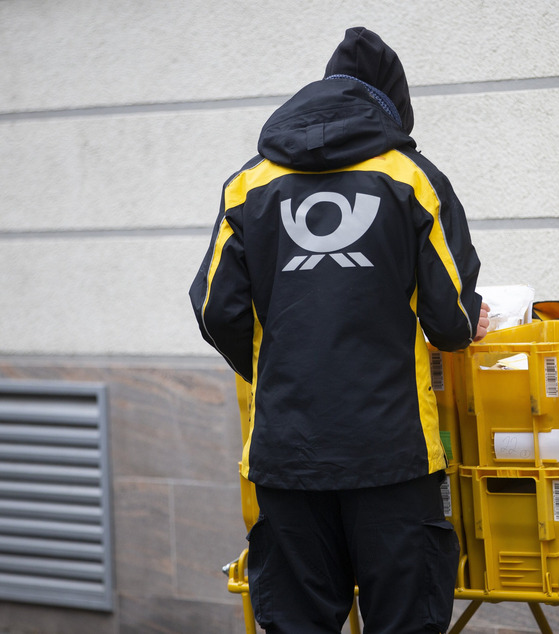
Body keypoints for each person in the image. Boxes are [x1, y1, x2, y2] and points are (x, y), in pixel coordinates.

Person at [189, 27, 489, 634]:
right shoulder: (411, 177)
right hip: (392, 454)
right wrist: (462, 327)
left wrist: (278, 369)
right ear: (391, 108)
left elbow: (213, 309)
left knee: (298, 622)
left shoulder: (247, 185)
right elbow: (451, 318)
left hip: (286, 455)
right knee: (403, 620)